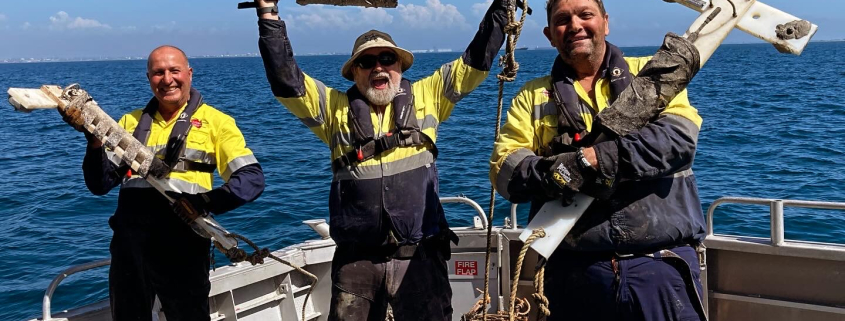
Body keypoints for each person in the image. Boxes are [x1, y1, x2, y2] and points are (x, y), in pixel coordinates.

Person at [251, 0, 511, 319]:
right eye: (367, 62)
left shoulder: (430, 96)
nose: (378, 67)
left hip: (421, 257)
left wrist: (503, 6)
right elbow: (286, 82)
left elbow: (476, 60)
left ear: (399, 66)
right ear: (355, 72)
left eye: (387, 59)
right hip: (356, 263)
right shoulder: (333, 109)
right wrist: (268, 15)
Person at [490, 0, 707, 320]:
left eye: (585, 14)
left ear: (606, 22)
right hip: (574, 275)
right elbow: (505, 168)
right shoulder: (532, 96)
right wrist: (552, 173)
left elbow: (677, 140)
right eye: (563, 19)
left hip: (661, 269)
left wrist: (592, 160)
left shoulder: (652, 73)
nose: (575, 25)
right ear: (550, 34)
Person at [62, 45, 265, 321]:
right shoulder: (127, 123)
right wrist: (94, 138)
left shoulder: (217, 123)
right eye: (158, 73)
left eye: (174, 70)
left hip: (184, 247)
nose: (167, 79)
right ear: (148, 78)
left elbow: (251, 179)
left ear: (189, 74)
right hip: (130, 248)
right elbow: (100, 184)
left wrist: (205, 202)